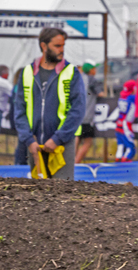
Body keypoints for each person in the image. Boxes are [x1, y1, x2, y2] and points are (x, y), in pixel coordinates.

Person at [13, 27, 86, 180]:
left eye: (63, 46)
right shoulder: (27, 72)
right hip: (34, 144)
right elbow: (19, 109)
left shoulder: (72, 72)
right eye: (57, 46)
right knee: (37, 196)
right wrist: (28, 140)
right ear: (44, 46)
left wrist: (57, 139)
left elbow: (78, 110)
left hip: (62, 144)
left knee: (62, 194)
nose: (62, 50)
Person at [75, 61, 102, 163]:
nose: (95, 70)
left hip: (76, 114)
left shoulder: (78, 79)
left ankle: (70, 162)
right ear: (91, 70)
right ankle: (76, 162)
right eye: (94, 68)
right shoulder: (92, 80)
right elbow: (100, 93)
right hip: (87, 115)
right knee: (88, 141)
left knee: (77, 137)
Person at [115, 80, 137, 162]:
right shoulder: (132, 98)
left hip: (119, 123)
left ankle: (118, 158)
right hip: (126, 124)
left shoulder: (122, 97)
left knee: (120, 145)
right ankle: (126, 161)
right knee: (131, 147)